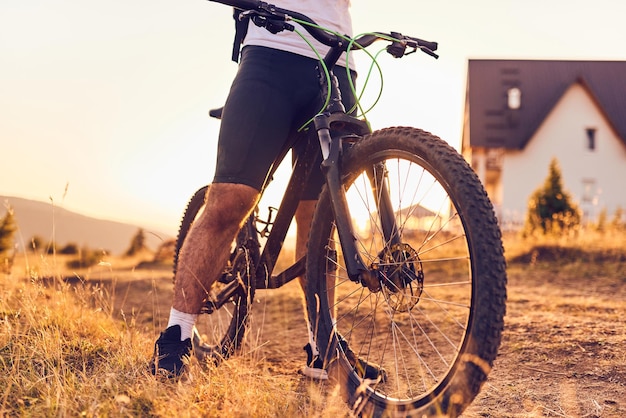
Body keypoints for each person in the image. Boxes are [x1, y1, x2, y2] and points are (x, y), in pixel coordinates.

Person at [150, 0, 382, 381]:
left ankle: (321, 346)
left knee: (320, 211)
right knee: (230, 200)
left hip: (339, 60)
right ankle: (177, 335)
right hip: (273, 48)